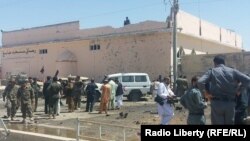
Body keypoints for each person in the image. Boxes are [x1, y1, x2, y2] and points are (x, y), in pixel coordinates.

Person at [198, 55, 250, 125]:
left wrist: (206, 94)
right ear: (224, 63)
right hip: (230, 104)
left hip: (217, 104)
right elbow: (247, 80)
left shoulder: (212, 71)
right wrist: (239, 90)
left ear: (215, 63)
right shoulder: (233, 71)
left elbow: (200, 81)